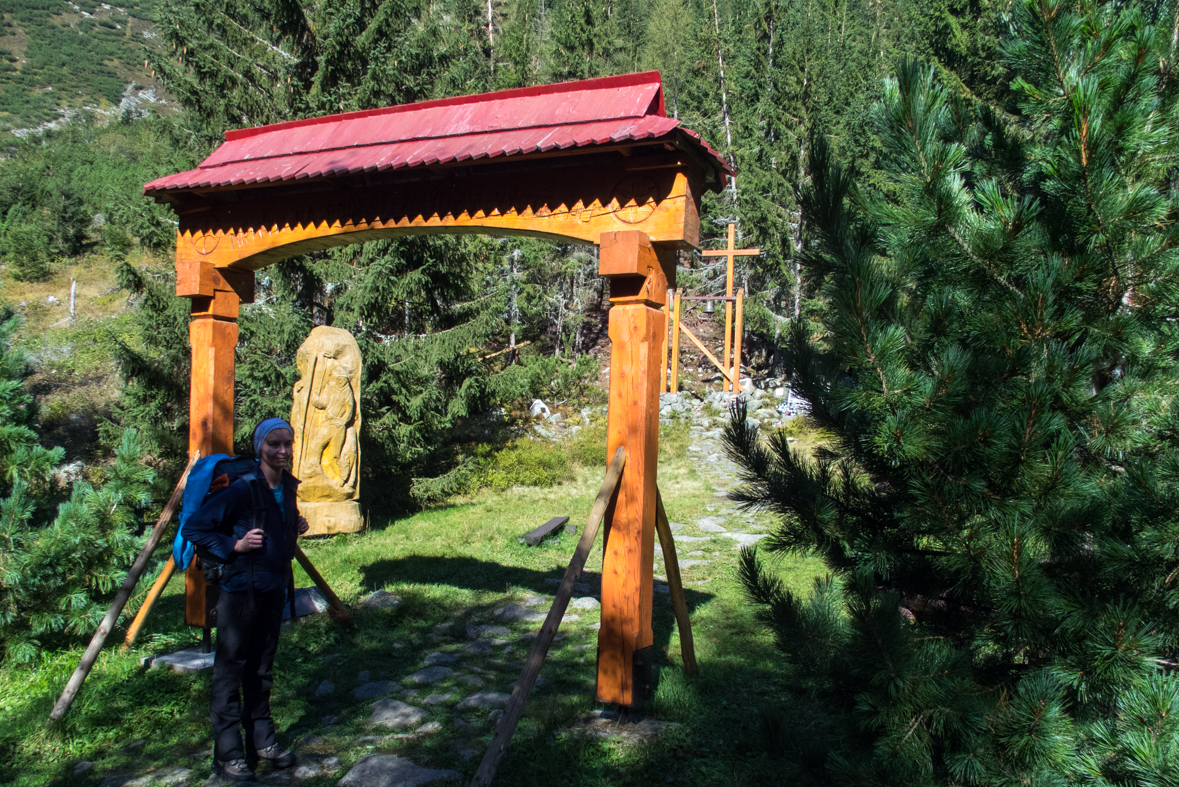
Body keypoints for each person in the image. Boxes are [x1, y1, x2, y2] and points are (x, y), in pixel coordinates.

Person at [184, 418, 310, 782]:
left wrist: (294, 525)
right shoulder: (242, 488)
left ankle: (262, 743)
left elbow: (274, 523)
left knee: (261, 669)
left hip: (274, 590)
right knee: (229, 672)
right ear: (260, 448)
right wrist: (233, 546)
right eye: (274, 444)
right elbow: (195, 527)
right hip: (240, 593)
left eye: (287, 443)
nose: (282, 451)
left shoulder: (287, 486)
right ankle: (227, 756)